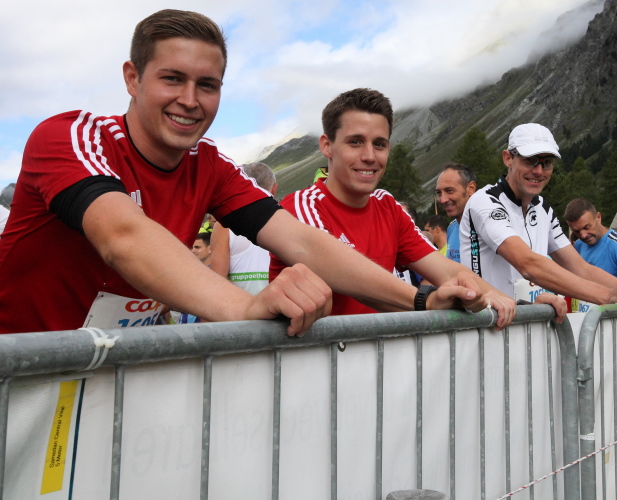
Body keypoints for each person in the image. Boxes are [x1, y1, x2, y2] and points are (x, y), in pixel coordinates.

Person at [0, 10, 505, 336]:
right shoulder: (70, 136)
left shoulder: (209, 164)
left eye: (207, 85)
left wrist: (420, 299)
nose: (190, 100)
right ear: (132, 78)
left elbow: (302, 242)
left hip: (113, 375)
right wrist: (244, 308)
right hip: (21, 373)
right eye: (172, 78)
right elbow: (122, 237)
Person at [270, 88, 532, 324]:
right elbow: (348, 277)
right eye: (355, 142)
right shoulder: (302, 207)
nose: (369, 156)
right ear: (327, 146)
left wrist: (509, 303)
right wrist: (425, 301)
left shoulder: (387, 206)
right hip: (319, 360)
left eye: (379, 144)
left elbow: (445, 269)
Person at [461, 123, 617, 305]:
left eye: (547, 163)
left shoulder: (543, 208)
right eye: (530, 160)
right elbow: (529, 265)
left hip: (525, 327)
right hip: (485, 329)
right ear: (508, 158)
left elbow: (580, 268)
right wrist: (606, 296)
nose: (538, 171)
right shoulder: (485, 202)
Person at [211, 162, 276, 294]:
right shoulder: (290, 217)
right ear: (274, 189)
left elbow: (217, 279)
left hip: (241, 304)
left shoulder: (224, 225)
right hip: (285, 302)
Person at [435, 163, 477, 263]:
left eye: (449, 191)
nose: (442, 200)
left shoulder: (487, 225)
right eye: (439, 193)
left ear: (470, 188)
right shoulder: (452, 227)